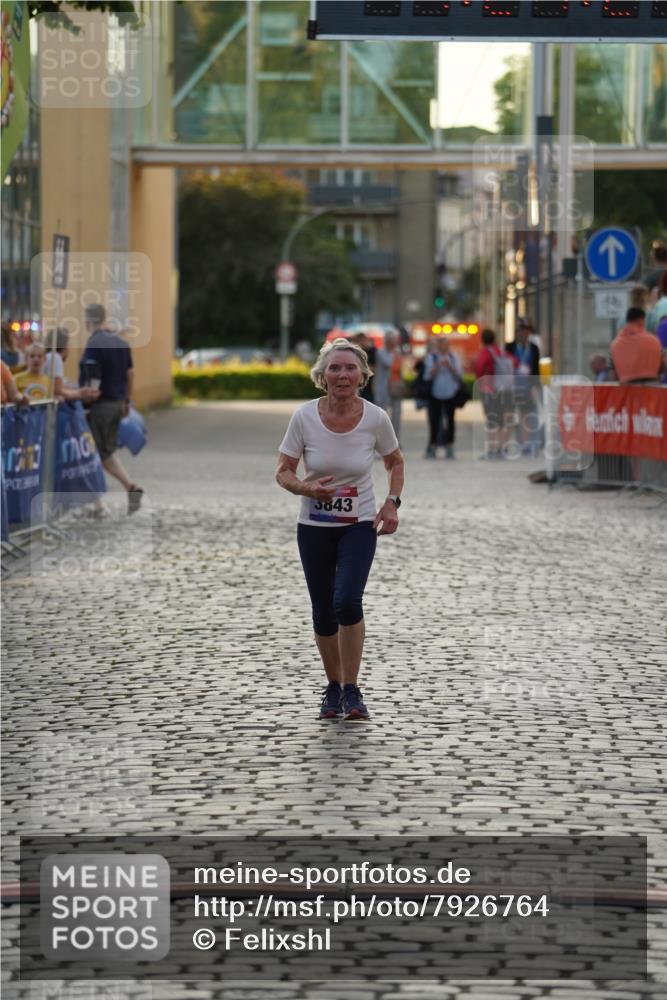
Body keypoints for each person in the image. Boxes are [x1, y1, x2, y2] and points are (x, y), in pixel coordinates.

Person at [275, 337, 404, 722]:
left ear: (362, 375)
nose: (342, 375)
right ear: (322, 376)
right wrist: (307, 488)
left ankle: (352, 689)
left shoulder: (376, 418)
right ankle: (333, 687)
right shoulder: (304, 417)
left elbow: (395, 462)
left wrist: (392, 502)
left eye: (350, 368)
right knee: (322, 612)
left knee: (347, 601)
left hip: (359, 524)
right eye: (334, 368)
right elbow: (283, 471)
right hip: (313, 526)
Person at [79, 304, 143, 514]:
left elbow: (93, 375)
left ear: (88, 321)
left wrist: (86, 399)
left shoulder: (94, 343)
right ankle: (130, 487)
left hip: (101, 405)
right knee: (106, 453)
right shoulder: (121, 342)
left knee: (93, 454)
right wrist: (126, 401)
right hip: (117, 403)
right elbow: (131, 374)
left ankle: (97, 503)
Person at [474, 329, 516, 459]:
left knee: (492, 420)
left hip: (490, 390)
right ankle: (502, 448)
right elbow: (515, 362)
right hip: (505, 389)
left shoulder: (486, 352)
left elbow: (480, 367)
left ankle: (492, 450)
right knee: (503, 420)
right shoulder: (500, 351)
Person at [423, 336, 463, 459]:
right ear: (438, 346)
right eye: (442, 345)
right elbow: (427, 376)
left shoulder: (453, 357)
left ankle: (449, 446)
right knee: (434, 421)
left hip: (450, 393)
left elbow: (459, 375)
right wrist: (437, 365)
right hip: (435, 393)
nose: (445, 347)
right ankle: (433, 446)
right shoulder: (432, 357)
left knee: (450, 421)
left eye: (447, 345)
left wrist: (450, 366)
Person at [506, 321, 541, 455]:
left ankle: (526, 444)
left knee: (526, 416)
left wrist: (535, 385)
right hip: (512, 386)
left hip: (527, 386)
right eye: (521, 332)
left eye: (526, 333)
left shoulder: (533, 348)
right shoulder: (510, 346)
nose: (524, 335)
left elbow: (536, 369)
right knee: (510, 416)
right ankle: (509, 442)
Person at [43, 327, 100, 404]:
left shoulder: (48, 357)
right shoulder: (55, 358)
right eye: (68, 344)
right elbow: (57, 390)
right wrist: (80, 394)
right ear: (64, 345)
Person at [610, 307, 661, 384]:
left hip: (627, 389)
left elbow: (613, 372)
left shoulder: (615, 344)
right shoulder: (653, 341)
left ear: (627, 320)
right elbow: (661, 365)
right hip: (651, 387)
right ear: (641, 320)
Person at [373, 329, 404, 441]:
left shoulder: (397, 351)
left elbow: (400, 368)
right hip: (383, 387)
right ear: (387, 340)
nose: (395, 342)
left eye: (396, 339)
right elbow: (390, 364)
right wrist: (396, 357)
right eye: (393, 339)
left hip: (395, 386)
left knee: (397, 415)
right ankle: (381, 441)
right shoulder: (381, 352)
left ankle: (396, 440)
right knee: (381, 415)